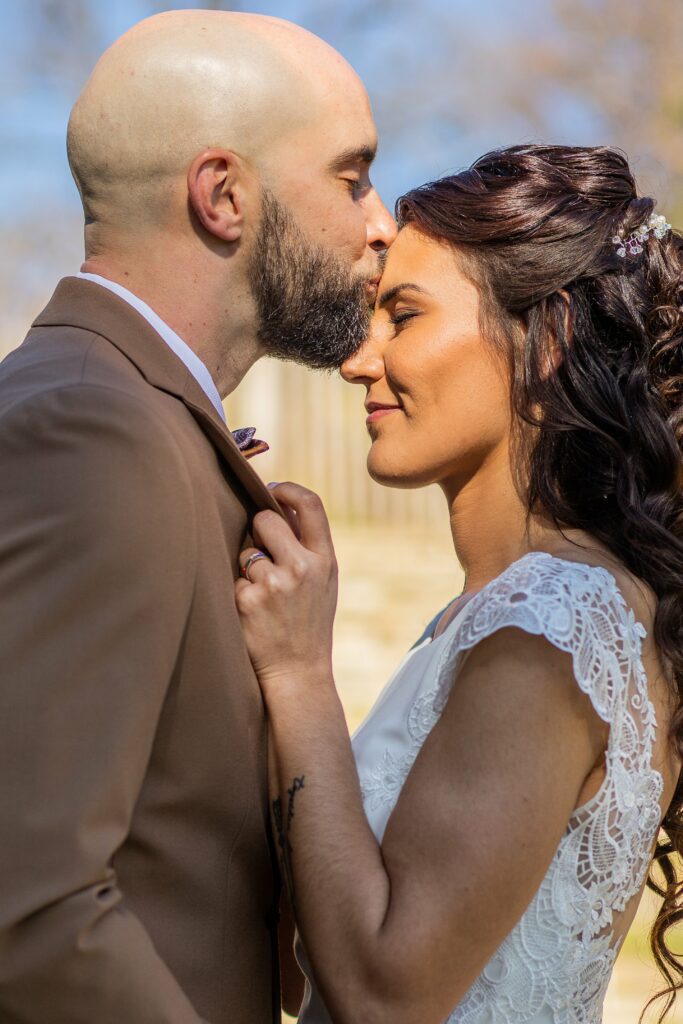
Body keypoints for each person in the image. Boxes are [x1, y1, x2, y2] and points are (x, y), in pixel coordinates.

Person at [0, 10, 395, 1023]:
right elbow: (27, 907)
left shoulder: (128, 412)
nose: (379, 221)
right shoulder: (93, 428)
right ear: (222, 195)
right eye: (350, 178)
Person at [235, 144, 683, 1023]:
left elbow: (381, 996)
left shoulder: (548, 629)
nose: (359, 363)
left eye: (402, 316)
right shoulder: (498, 616)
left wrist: (297, 677)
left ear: (545, 340)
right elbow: (304, 969)